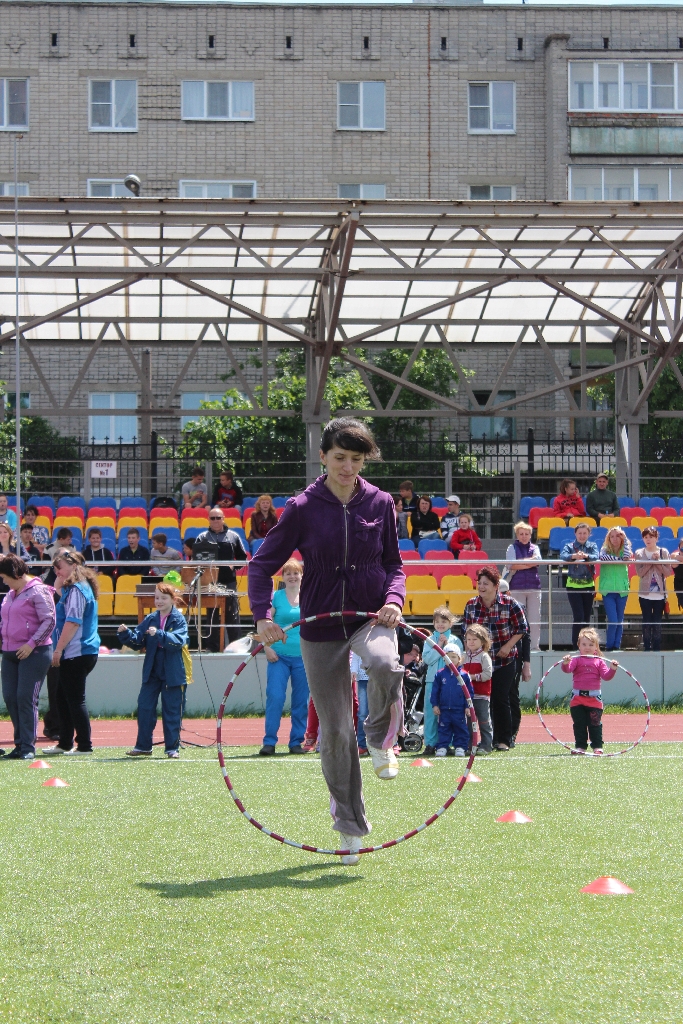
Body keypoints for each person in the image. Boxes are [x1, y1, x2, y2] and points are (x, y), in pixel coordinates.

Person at [248, 416, 406, 867]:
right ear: (323, 456)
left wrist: (394, 599)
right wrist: (262, 616)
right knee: (335, 733)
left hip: (370, 616)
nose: (348, 467)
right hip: (319, 627)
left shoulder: (380, 503)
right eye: (340, 458)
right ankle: (350, 827)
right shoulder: (301, 507)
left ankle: (380, 738)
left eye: (356, 459)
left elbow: (394, 564)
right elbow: (260, 566)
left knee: (384, 663)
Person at [118, 582, 189, 758]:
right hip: (152, 669)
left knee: (172, 710)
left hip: (173, 670)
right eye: (157, 598)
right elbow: (137, 641)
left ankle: (172, 748)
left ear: (173, 599)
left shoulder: (178, 619)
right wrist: (126, 634)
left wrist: (159, 634)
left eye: (163, 598)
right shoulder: (150, 618)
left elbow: (178, 641)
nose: (159, 601)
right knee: (144, 707)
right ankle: (143, 746)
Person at [462, 565, 529, 752]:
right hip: (480, 662)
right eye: (479, 583)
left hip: (504, 660)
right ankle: (484, 740)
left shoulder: (510, 603)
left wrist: (508, 647)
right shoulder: (471, 605)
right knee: (482, 700)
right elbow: (465, 632)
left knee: (501, 698)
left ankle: (504, 739)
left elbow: (522, 628)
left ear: (495, 585)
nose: (481, 587)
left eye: (486, 583)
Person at [42, 552, 100, 756]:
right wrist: (58, 584)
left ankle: (84, 745)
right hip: (79, 651)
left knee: (74, 700)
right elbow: (64, 599)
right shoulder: (78, 587)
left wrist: (58, 649)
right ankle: (65, 743)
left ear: (74, 565)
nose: (56, 571)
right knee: (62, 698)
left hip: (77, 651)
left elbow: (73, 621)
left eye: (59, 567)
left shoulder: (77, 589)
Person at [0, 554, 55, 759]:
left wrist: (31, 644)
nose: (3, 581)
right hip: (9, 652)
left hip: (34, 653)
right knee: (11, 698)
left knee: (25, 697)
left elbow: (49, 621)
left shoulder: (38, 591)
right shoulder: (10, 594)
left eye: (5, 577)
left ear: (15, 574)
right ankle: (19, 744)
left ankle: (28, 747)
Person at [259, 558, 309, 756]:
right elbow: (264, 624)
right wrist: (266, 648)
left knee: (300, 701)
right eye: (288, 573)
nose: (292, 576)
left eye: (296, 573)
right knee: (275, 697)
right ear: (283, 577)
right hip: (278, 656)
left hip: (303, 657)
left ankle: (296, 741)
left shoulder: (309, 596)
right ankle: (269, 742)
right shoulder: (276, 597)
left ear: (302, 576)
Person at [193, 507, 248, 648]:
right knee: (211, 615)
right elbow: (195, 559)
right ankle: (212, 648)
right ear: (208, 520)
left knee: (232, 614)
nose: (216, 521)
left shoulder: (233, 536)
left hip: (228, 581)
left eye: (218, 518)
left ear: (223, 519)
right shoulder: (202, 537)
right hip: (209, 583)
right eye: (213, 518)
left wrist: (233, 566)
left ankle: (236, 647)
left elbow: (242, 558)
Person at [562, 628, 617, 755]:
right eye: (584, 644)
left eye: (591, 645)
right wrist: (565, 663)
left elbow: (606, 676)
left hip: (594, 699)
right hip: (577, 699)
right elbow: (567, 670)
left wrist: (612, 669)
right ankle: (580, 746)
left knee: (595, 724)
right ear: (579, 645)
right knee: (579, 724)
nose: (587, 647)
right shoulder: (576, 659)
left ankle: (597, 746)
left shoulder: (599, 661)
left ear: (596, 647)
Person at [421, 606, 463, 757]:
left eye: (444, 621)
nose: (440, 624)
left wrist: (447, 648)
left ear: (450, 623)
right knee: (431, 712)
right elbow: (427, 659)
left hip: (451, 682)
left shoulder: (455, 640)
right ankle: (430, 744)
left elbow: (459, 661)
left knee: (449, 712)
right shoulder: (429, 640)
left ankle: (447, 744)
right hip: (432, 681)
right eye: (437, 621)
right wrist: (439, 646)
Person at [430, 644, 473, 757]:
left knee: (461, 728)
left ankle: (460, 747)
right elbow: (435, 691)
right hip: (444, 709)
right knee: (443, 728)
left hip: (459, 709)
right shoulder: (440, 674)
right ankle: (442, 747)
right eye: (447, 657)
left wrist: (468, 706)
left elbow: (469, 693)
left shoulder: (464, 675)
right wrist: (435, 705)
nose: (450, 659)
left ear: (459, 658)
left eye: (453, 657)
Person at [505, 521, 542, 651]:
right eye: (521, 534)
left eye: (526, 534)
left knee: (535, 619)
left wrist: (520, 563)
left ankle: (534, 646)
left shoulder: (535, 547)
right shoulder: (512, 548)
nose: (524, 536)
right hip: (516, 587)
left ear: (530, 535)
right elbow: (511, 565)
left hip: (534, 586)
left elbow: (538, 561)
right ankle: (518, 646)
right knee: (518, 619)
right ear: (517, 535)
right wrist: (529, 563)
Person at [561, 523, 599, 648]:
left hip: (588, 585)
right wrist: (574, 556)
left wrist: (586, 556)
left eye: (585, 533)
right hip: (573, 585)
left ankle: (586, 644)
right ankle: (576, 644)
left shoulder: (592, 546)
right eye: (580, 533)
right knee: (578, 616)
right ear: (575, 534)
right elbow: (563, 556)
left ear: (589, 534)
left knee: (586, 616)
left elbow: (596, 556)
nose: (582, 536)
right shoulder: (569, 546)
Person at [635, 526, 672, 652]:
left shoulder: (663, 552)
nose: (648, 540)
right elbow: (640, 573)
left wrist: (658, 561)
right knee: (646, 620)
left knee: (657, 621)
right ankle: (647, 646)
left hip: (660, 594)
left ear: (656, 538)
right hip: (644, 594)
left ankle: (656, 647)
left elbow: (667, 572)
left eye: (651, 537)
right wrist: (651, 561)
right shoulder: (639, 553)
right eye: (645, 537)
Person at [461, 624, 494, 756]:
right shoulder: (464, 656)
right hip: (467, 696)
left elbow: (488, 674)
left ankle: (486, 745)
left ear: (482, 641)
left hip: (481, 694)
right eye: (469, 639)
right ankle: (470, 745)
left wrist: (472, 677)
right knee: (469, 722)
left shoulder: (484, 656)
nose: (471, 642)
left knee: (484, 720)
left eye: (474, 639)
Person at [599, 527, 633, 652]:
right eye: (612, 536)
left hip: (622, 589)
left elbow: (627, 557)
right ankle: (609, 646)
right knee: (613, 620)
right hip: (608, 590)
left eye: (618, 536)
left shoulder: (625, 550)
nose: (615, 539)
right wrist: (620, 560)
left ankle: (617, 645)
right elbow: (603, 557)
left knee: (619, 620)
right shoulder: (604, 549)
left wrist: (625, 541)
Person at [350, 651, 369, 755]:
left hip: (377, 678)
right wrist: (354, 670)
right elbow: (355, 657)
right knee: (362, 713)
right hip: (362, 679)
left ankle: (378, 744)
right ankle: (362, 745)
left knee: (377, 712)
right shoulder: (359, 641)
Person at [673, 539, 683, 606]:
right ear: (678, 549)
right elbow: (673, 556)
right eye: (682, 549)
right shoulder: (675, 556)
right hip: (680, 587)